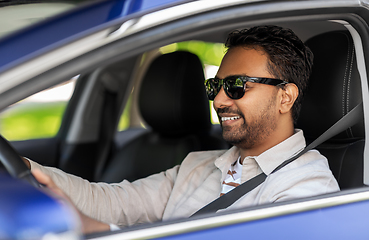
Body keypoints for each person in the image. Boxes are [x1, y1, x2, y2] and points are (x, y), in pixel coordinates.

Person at [27, 25, 340, 233]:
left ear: (285, 96)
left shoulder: (307, 188)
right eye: (215, 86)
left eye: (235, 86)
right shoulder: (198, 165)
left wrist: (103, 231)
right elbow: (111, 201)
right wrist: (30, 172)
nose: (218, 99)